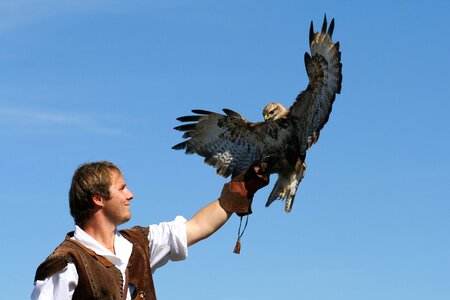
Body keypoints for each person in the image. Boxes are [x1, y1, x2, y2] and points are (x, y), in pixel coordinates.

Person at [31, 161, 269, 299]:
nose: (130, 194)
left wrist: (237, 193)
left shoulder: (138, 244)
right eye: (122, 188)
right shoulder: (66, 264)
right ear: (98, 199)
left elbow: (197, 226)